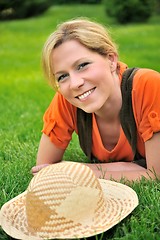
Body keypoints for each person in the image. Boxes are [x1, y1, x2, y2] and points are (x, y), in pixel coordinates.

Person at [31, 18, 160, 181]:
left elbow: (156, 174)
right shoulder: (67, 99)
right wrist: (129, 168)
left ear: (111, 59)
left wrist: (79, 170)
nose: (75, 83)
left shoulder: (148, 85)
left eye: (82, 65)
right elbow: (43, 171)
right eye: (63, 76)